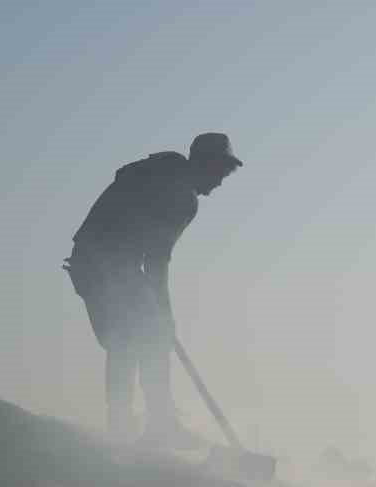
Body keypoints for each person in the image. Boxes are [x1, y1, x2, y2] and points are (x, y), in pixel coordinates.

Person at [64, 133, 243, 445]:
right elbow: (157, 262)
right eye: (221, 173)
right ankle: (149, 426)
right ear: (207, 164)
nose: (218, 184)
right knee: (139, 338)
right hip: (107, 267)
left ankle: (141, 423)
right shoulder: (182, 197)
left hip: (91, 263)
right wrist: (166, 314)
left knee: (132, 340)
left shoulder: (162, 171)